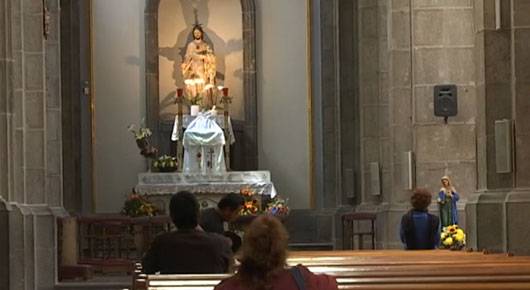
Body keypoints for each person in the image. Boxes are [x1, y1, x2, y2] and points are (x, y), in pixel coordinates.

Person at [214, 215, 338, 290]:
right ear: (281, 247)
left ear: (246, 248)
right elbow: (331, 284)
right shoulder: (301, 279)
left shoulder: (228, 287)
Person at [142, 191, 232, 274]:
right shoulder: (220, 243)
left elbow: (147, 268)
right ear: (198, 214)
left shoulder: (161, 242)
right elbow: (229, 270)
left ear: (172, 217)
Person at [181, 24, 216, 97]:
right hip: (193, 67)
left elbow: (211, 56)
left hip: (203, 68)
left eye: (198, 33)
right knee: (193, 87)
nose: (197, 34)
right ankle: (195, 102)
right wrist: (184, 64)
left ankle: (203, 103)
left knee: (203, 87)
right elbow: (187, 57)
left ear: (201, 33)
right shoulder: (190, 45)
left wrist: (204, 57)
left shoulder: (205, 45)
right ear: (193, 34)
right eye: (195, 33)